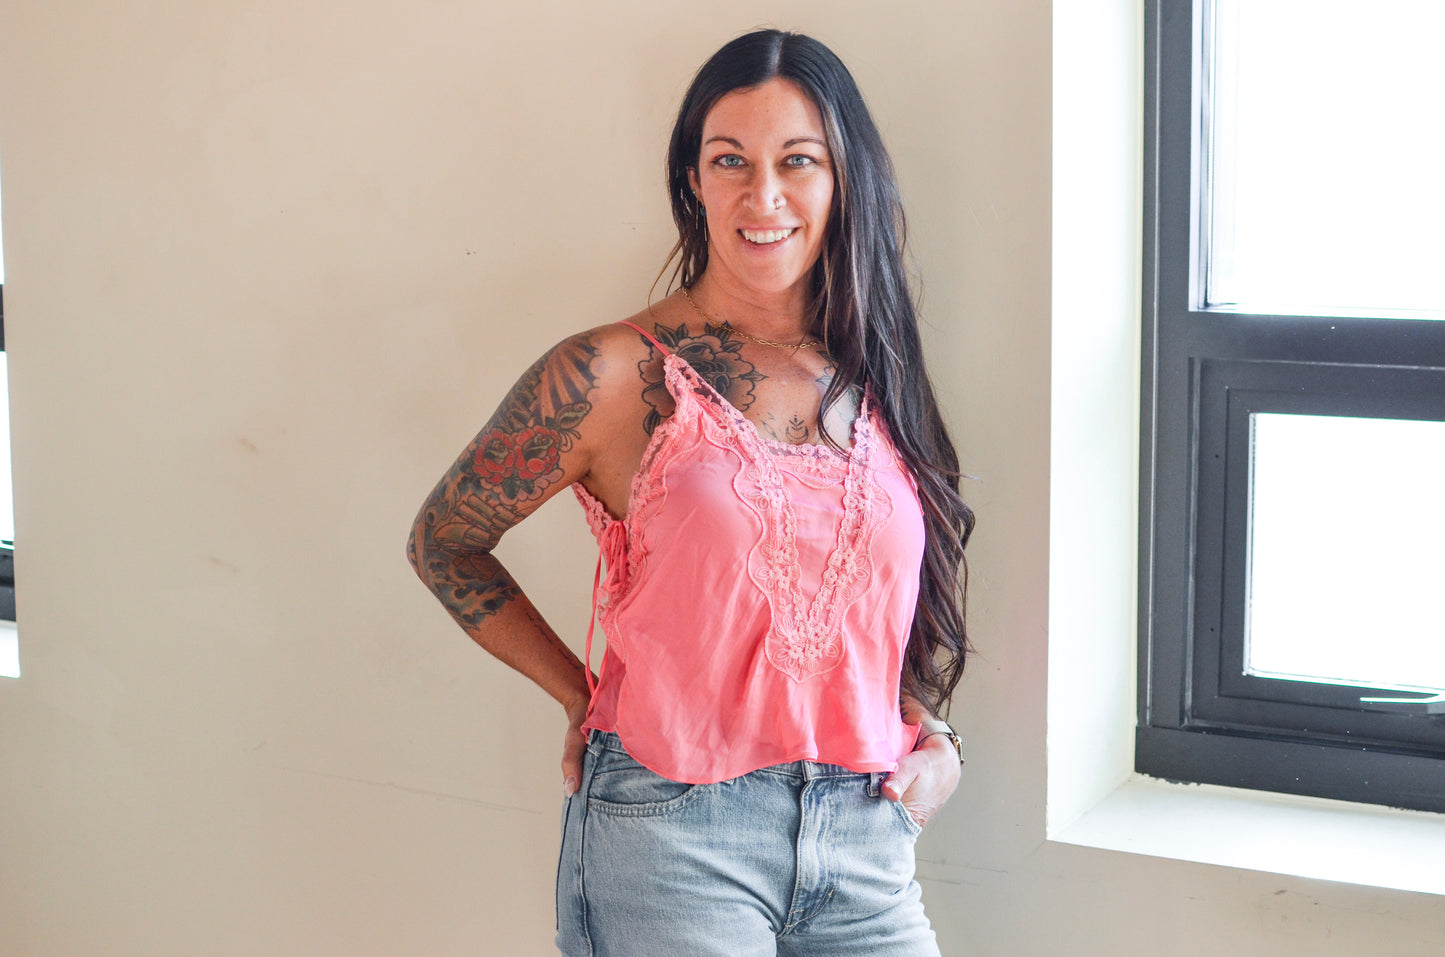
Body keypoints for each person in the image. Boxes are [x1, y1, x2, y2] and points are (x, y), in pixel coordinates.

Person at [408, 28, 974, 957]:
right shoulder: (609, 374)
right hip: (672, 837)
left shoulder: (873, 373)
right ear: (692, 180)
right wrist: (577, 695)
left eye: (798, 160)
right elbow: (444, 540)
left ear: (843, 180)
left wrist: (936, 731)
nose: (763, 196)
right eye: (729, 161)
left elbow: (869, 601)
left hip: (865, 838)